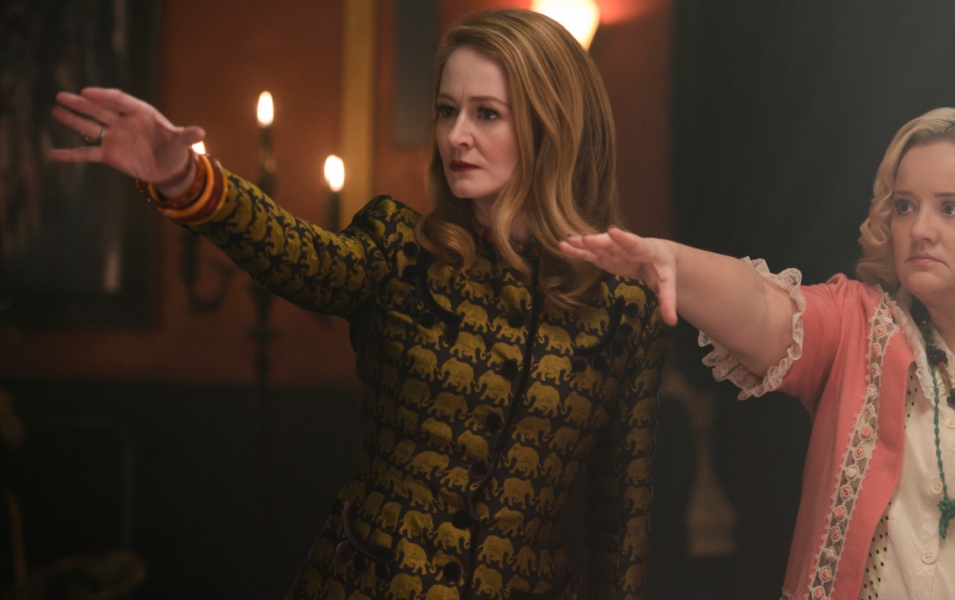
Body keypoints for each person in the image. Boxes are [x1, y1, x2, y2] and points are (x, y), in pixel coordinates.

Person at [49, 9, 670, 600]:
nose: (456, 135)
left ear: (550, 125)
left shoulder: (626, 308)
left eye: (486, 114)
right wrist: (187, 177)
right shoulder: (401, 248)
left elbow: (622, 515)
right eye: (446, 110)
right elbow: (298, 254)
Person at [561, 108, 955, 600]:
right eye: (905, 206)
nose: (919, 229)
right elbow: (760, 306)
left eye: (951, 208)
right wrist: (672, 260)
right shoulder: (859, 327)